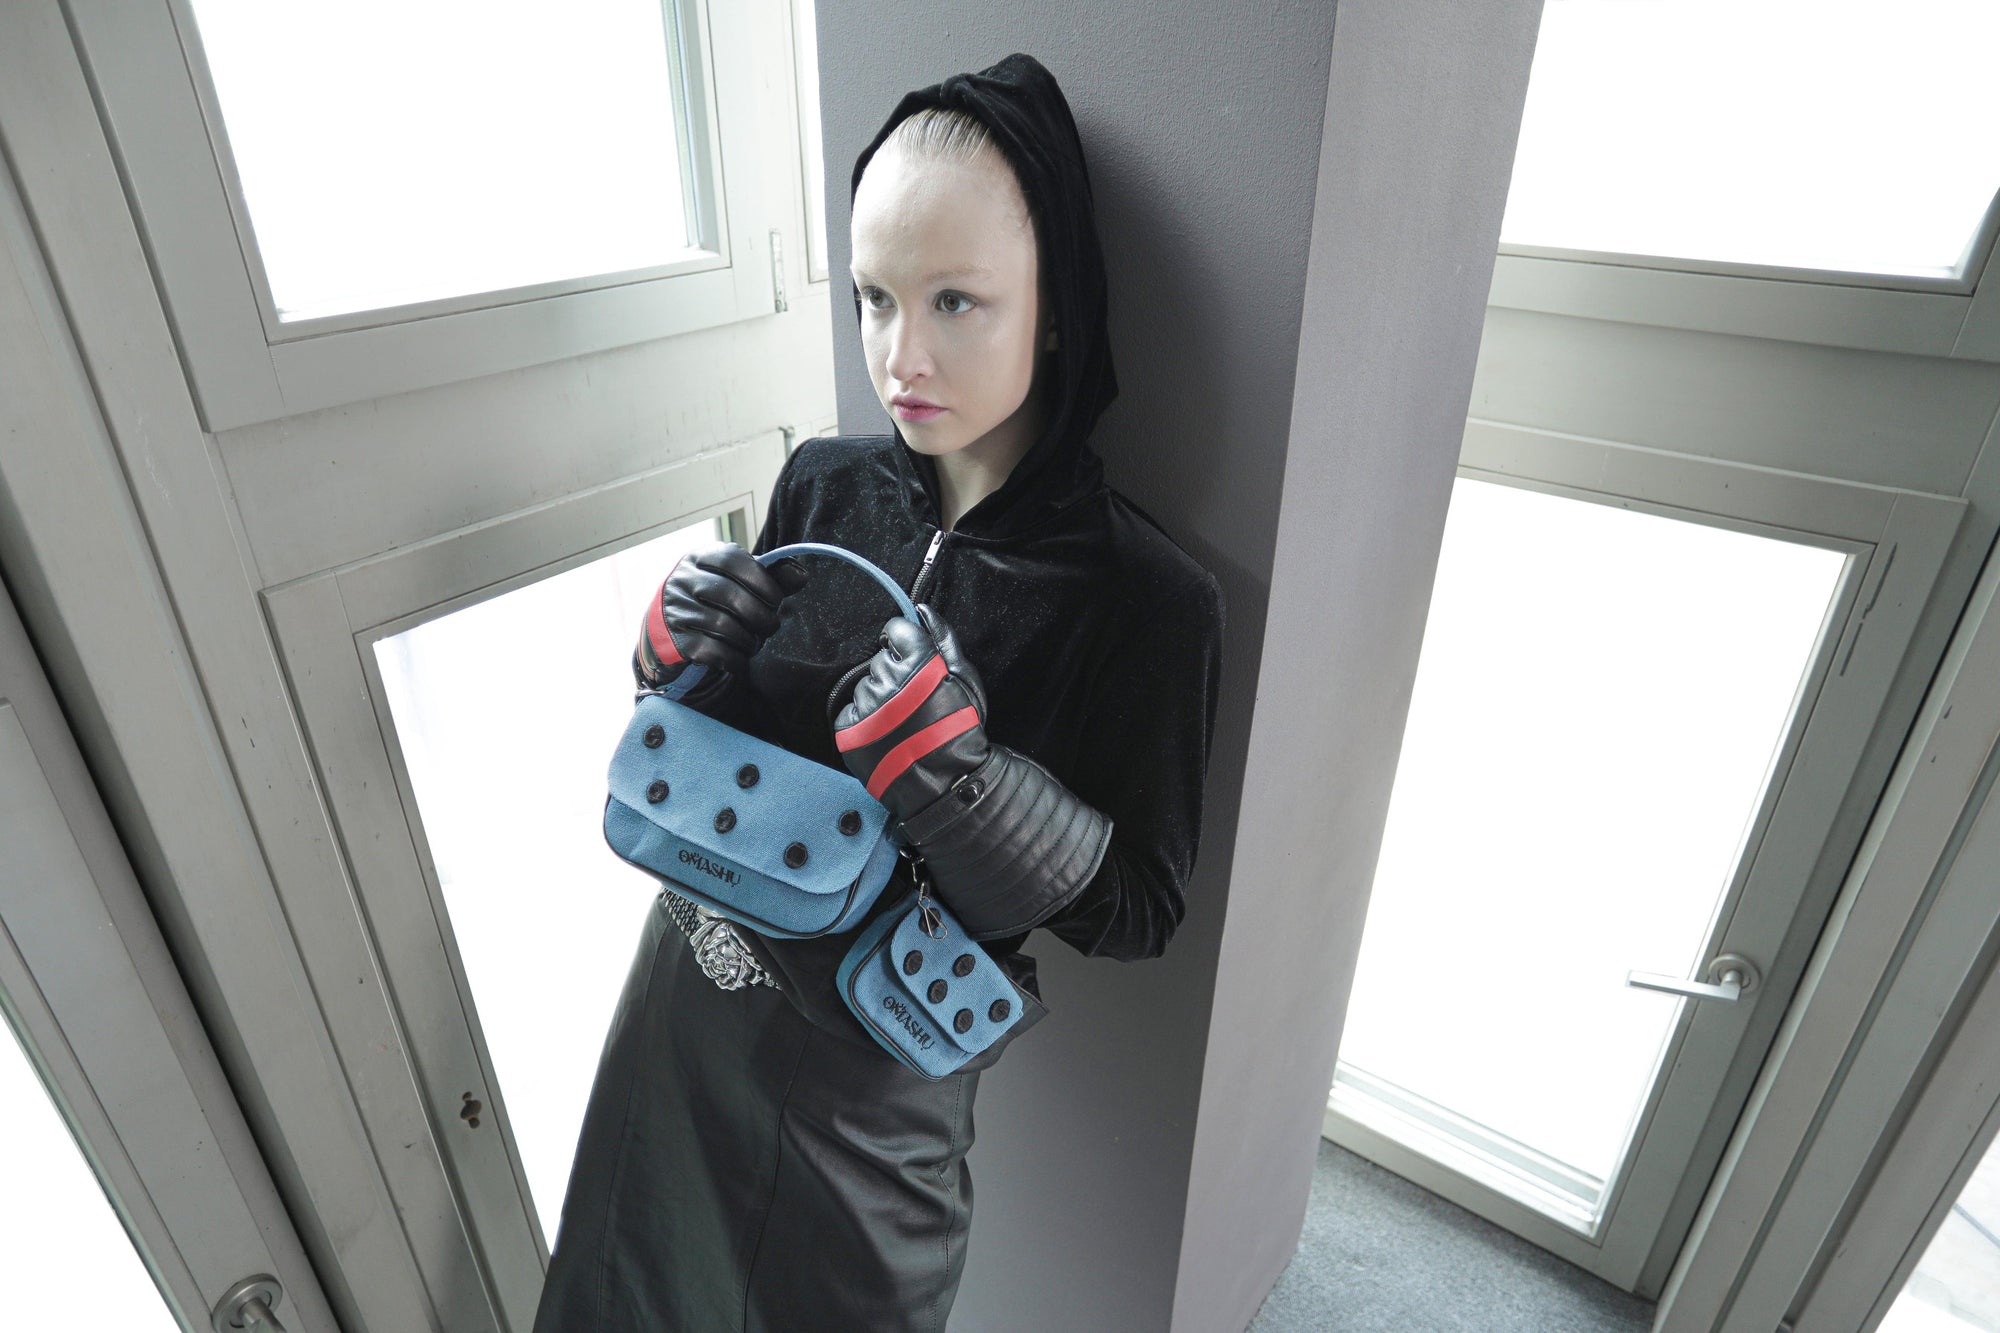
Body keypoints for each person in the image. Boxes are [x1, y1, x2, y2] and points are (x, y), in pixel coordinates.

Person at [533, 52, 1224, 1332]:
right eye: (869, 297)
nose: (897, 355)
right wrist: (674, 656)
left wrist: (966, 790)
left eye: (955, 300)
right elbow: (721, 738)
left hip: (883, 1060)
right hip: (691, 989)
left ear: (1055, 307)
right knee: (622, 1290)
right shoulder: (822, 488)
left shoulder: (1146, 596)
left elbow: (1139, 911)